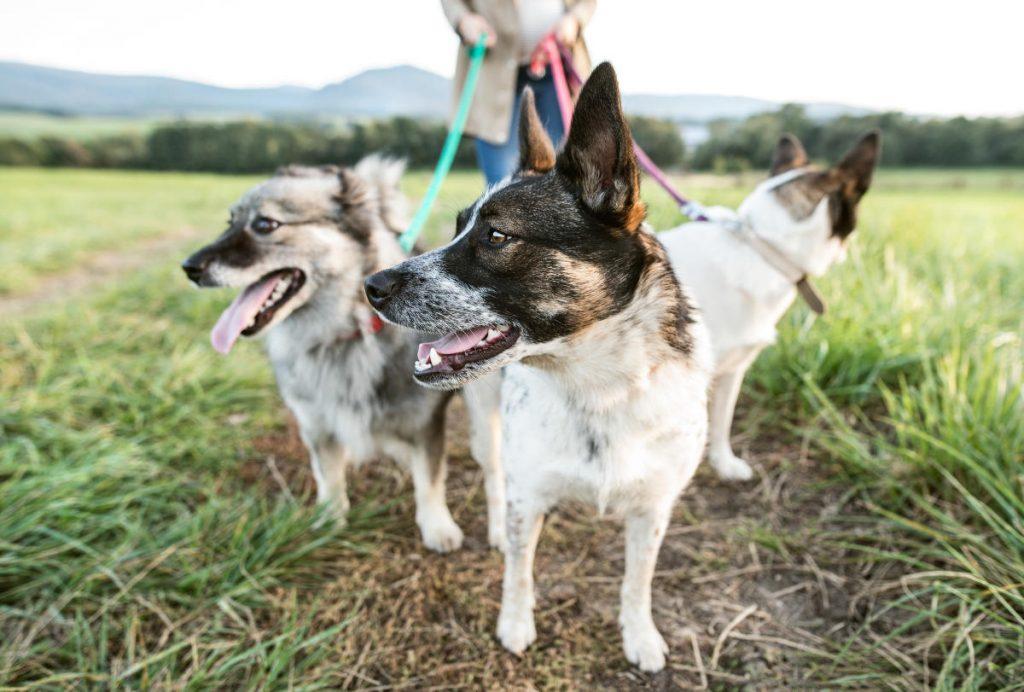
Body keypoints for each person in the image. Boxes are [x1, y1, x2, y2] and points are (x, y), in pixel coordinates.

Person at [441, 0, 595, 185]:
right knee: (501, 181)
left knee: (565, 179)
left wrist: (575, 19)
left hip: (559, 72)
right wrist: (463, 19)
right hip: (492, 76)